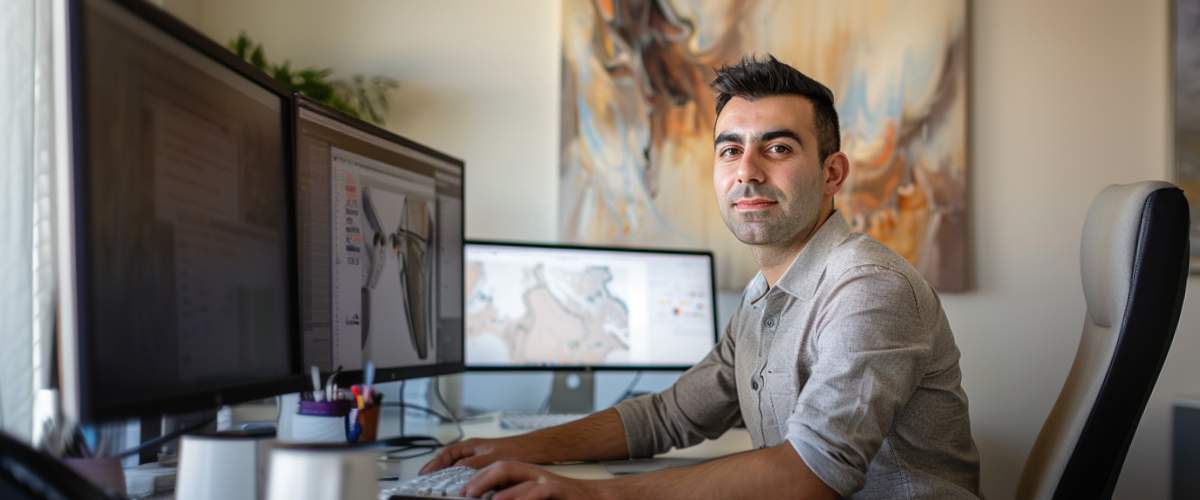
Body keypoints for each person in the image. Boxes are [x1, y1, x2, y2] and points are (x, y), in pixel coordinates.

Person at [422, 54, 981, 499]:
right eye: (730, 150)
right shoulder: (762, 298)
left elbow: (810, 474)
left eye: (778, 148)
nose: (747, 171)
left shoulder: (870, 289)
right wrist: (520, 449)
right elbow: (667, 417)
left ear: (832, 172)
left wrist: (588, 496)